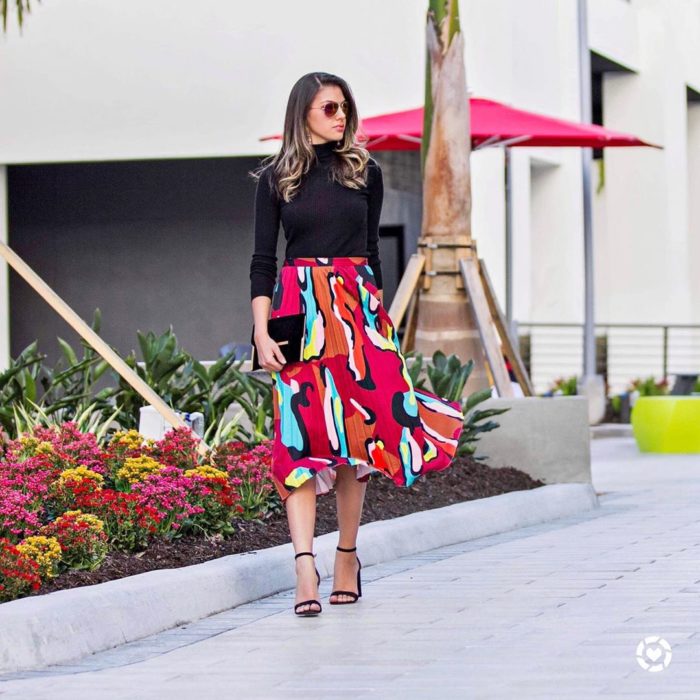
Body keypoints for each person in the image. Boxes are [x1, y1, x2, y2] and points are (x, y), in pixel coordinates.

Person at [249, 72, 465, 617]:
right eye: (328, 108)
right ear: (303, 113)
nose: (340, 117)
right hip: (297, 312)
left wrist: (378, 324)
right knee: (298, 437)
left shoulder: (363, 171)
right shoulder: (277, 178)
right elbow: (262, 262)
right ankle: (304, 566)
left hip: (355, 314)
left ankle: (346, 555)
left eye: (344, 108)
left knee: (355, 438)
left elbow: (370, 255)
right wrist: (260, 327)